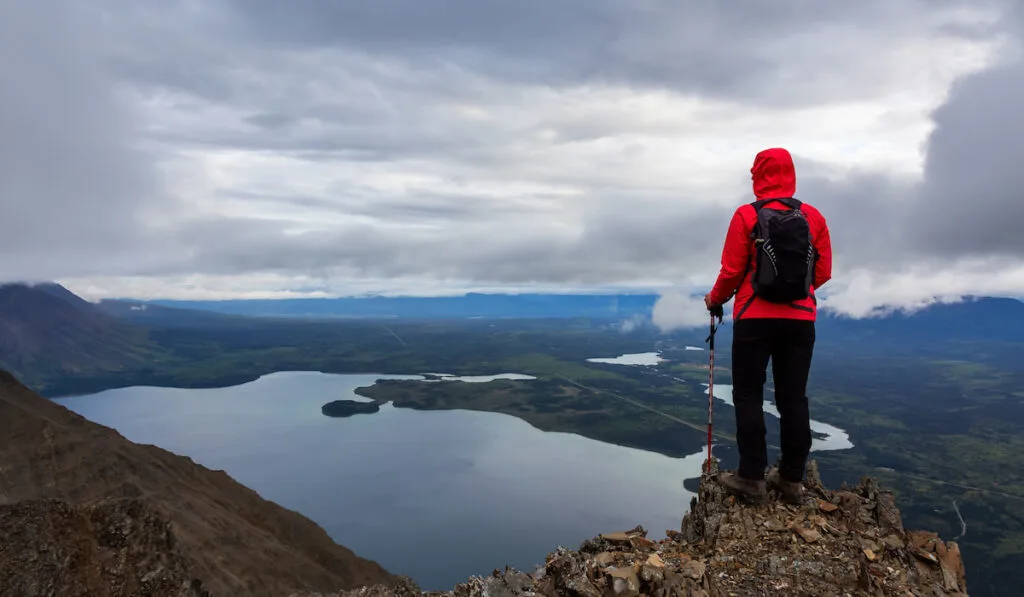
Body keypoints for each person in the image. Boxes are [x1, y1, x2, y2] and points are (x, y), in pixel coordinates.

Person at [702, 147, 832, 504]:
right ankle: (791, 479)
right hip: (800, 321)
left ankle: (751, 477)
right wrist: (795, 297)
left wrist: (716, 300)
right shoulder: (814, 217)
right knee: (793, 398)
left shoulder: (747, 216)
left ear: (758, 176)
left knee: (748, 395)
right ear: (791, 174)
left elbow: (731, 271)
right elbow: (821, 273)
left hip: (754, 318)